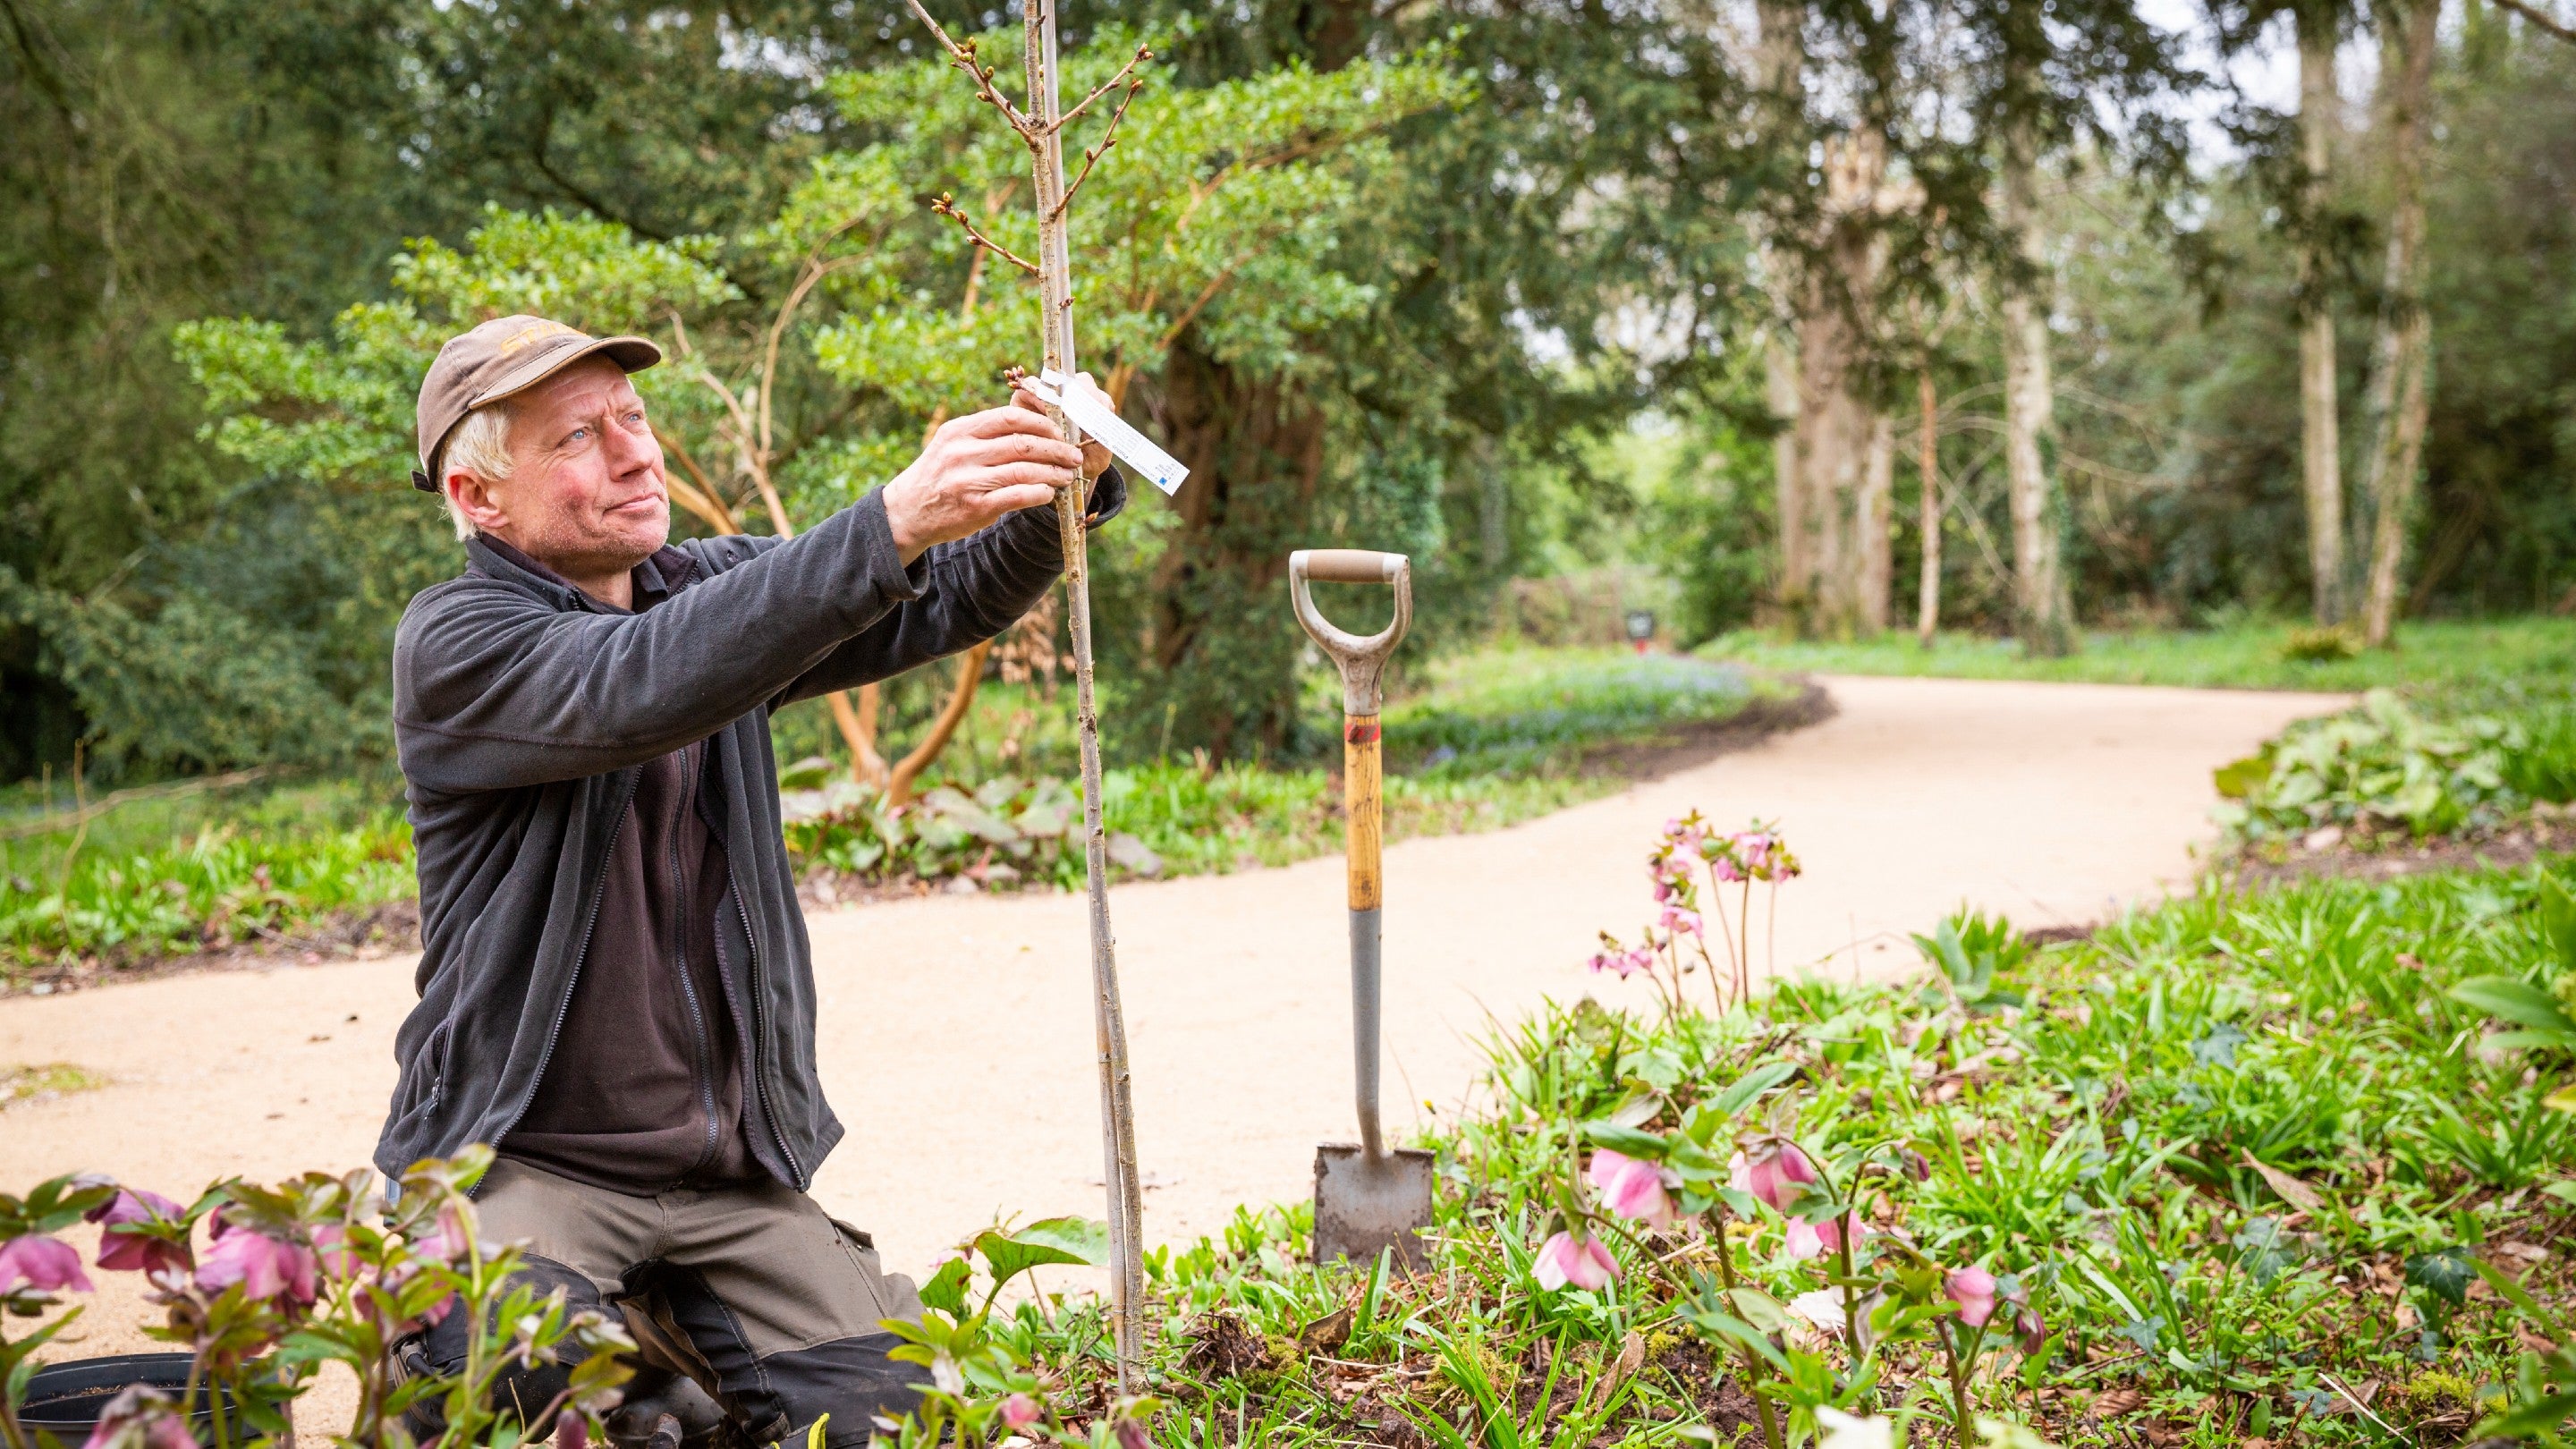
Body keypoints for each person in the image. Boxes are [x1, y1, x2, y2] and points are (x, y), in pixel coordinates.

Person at [377, 314, 1123, 1447]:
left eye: (633, 419)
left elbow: (938, 596)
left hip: (725, 1180)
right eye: (578, 437)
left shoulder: (704, 597)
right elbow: (641, 682)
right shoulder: (457, 642)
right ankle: (625, 1363)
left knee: (906, 1424)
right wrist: (884, 521)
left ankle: (667, 1345)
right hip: (524, 1160)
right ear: (480, 498)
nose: (635, 453)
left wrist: (1046, 492)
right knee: (511, 1389)